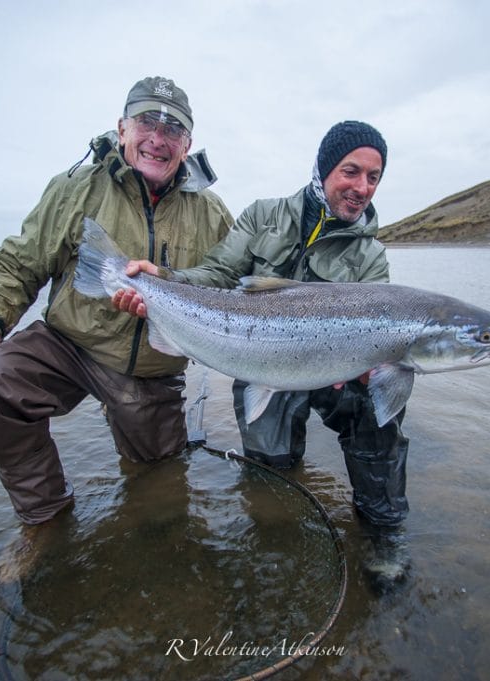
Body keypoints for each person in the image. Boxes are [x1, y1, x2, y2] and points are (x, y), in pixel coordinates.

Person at [113, 121, 411, 589]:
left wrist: (364, 368)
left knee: (381, 411)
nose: (362, 188)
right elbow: (215, 274)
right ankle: (277, 534)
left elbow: (375, 329)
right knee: (272, 472)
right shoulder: (262, 217)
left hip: (335, 373)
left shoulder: (371, 256)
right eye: (351, 171)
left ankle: (382, 532)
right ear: (323, 168)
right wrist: (162, 281)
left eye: (374, 178)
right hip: (261, 365)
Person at [0, 76, 233, 527]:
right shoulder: (74, 188)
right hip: (71, 346)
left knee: (161, 492)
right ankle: (47, 519)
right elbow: (19, 263)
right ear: (121, 129)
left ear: (188, 143)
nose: (158, 139)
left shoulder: (213, 213)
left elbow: (229, 287)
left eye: (173, 129)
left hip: (152, 368)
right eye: (146, 123)